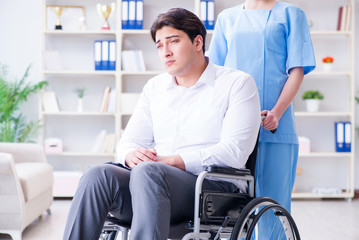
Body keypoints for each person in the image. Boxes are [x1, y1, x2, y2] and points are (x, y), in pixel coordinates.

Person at [63, 8, 261, 240]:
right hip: (149, 185)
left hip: (210, 190)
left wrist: (173, 162)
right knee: (98, 175)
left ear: (198, 42)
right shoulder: (155, 88)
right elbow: (129, 141)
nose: (165, 52)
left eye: (173, 42)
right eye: (159, 45)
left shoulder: (237, 84)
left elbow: (234, 153)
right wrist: (131, 156)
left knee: (149, 171)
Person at [208, 0, 316, 238]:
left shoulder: (291, 14)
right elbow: (214, 74)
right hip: (232, 128)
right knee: (227, 209)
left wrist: (276, 112)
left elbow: (296, 71)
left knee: (272, 210)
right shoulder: (227, 18)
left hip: (276, 126)